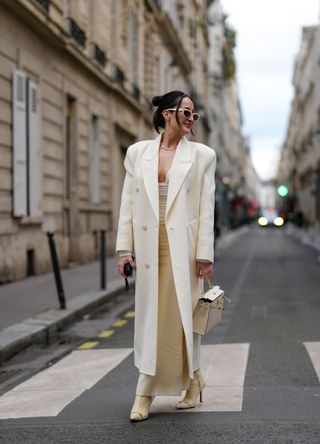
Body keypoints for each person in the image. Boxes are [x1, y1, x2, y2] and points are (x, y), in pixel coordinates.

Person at [116, 90, 216, 421]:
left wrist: (204, 253)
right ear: (167, 113)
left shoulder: (203, 155)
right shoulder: (136, 152)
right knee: (151, 320)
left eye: (194, 115)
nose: (192, 119)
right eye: (187, 113)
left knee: (183, 318)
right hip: (148, 246)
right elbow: (127, 204)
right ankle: (146, 390)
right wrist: (123, 250)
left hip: (184, 251)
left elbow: (205, 208)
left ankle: (190, 381)